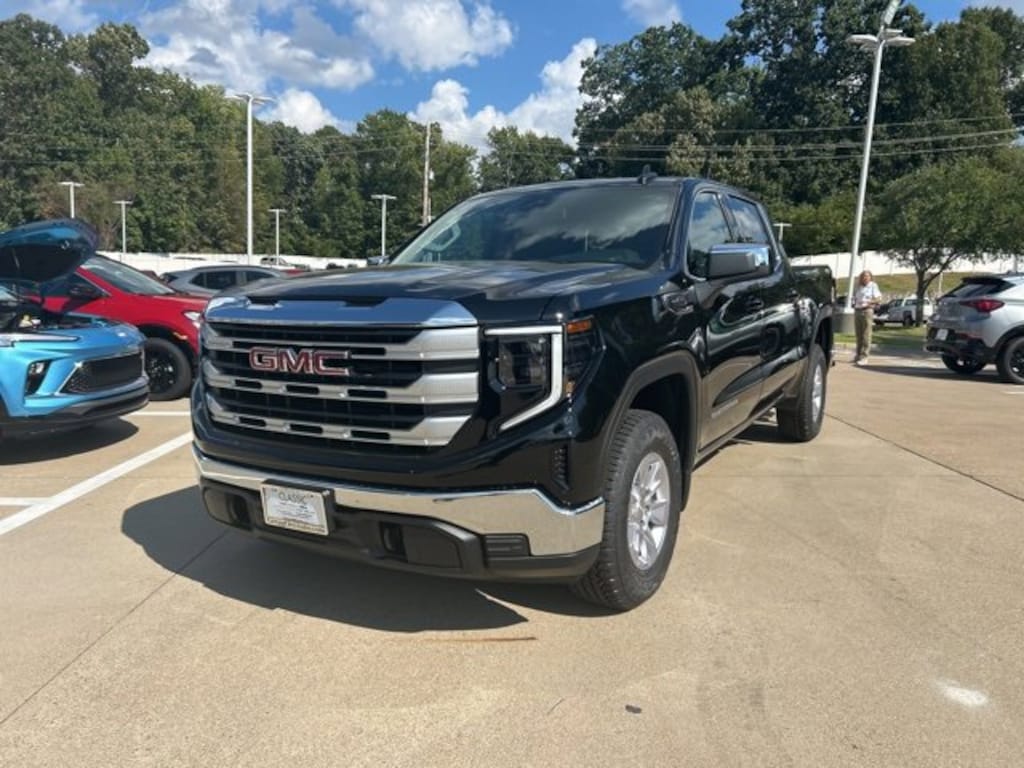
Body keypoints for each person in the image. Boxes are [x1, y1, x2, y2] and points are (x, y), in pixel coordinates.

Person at [853, 269, 882, 365]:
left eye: (867, 276)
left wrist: (870, 302)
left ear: (870, 277)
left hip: (867, 310)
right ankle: (858, 355)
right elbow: (855, 298)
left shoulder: (873, 286)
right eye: (863, 276)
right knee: (859, 334)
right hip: (858, 310)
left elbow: (878, 298)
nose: (865, 278)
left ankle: (865, 357)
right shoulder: (858, 287)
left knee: (866, 334)